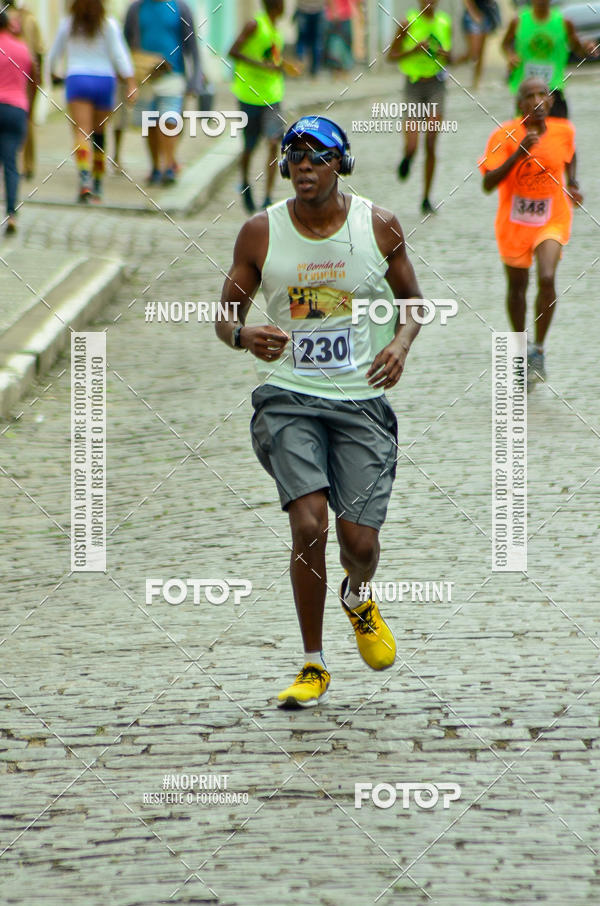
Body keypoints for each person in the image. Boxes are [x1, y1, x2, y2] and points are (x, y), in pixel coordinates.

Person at [215, 115, 424, 707]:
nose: (304, 166)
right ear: (283, 166)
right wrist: (242, 335)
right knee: (308, 523)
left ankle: (358, 593)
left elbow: (415, 303)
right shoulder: (260, 233)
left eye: (317, 155)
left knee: (360, 543)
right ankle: (313, 663)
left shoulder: (378, 226)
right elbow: (224, 315)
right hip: (287, 397)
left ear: (342, 163)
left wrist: (400, 343)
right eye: (294, 156)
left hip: (360, 400)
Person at [479, 78, 582, 385]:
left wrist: (573, 183)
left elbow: (570, 155)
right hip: (514, 224)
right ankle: (519, 345)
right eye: (529, 95)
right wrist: (518, 154)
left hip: (553, 217)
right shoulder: (503, 135)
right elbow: (487, 184)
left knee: (548, 277)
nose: (537, 100)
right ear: (519, 104)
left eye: (542, 95)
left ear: (551, 102)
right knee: (517, 287)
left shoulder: (564, 130)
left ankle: (538, 349)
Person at [48, 0, 137, 203]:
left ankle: (84, 181)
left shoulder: (68, 23)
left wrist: (52, 72)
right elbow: (120, 55)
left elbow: (54, 53)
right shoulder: (109, 24)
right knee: (100, 133)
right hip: (105, 80)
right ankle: (97, 184)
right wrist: (131, 82)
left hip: (77, 78)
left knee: (81, 132)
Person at [230, 0, 300, 214]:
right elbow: (233, 51)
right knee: (249, 146)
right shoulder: (254, 25)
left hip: (273, 97)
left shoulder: (275, 29)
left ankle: (268, 196)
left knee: (273, 143)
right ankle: (245, 183)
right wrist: (260, 65)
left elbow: (271, 57)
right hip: (249, 95)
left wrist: (284, 66)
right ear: (276, 6)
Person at [124, 0, 203, 186]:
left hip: (173, 75)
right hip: (145, 75)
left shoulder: (180, 8)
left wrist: (195, 79)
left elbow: (192, 46)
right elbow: (126, 43)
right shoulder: (136, 9)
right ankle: (155, 167)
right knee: (150, 123)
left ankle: (168, 165)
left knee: (169, 120)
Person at [387, 0, 452, 215]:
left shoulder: (444, 22)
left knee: (432, 141)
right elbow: (391, 56)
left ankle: (426, 197)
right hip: (413, 86)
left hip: (436, 85)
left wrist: (444, 54)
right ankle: (407, 158)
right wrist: (414, 50)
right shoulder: (408, 22)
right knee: (413, 145)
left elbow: (453, 57)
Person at [502, 0, 597, 119]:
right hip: (526, 90)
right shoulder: (518, 21)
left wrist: (587, 48)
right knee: (524, 133)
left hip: (553, 89)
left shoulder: (564, 22)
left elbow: (578, 50)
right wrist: (510, 55)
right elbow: (505, 44)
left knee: (558, 132)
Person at [0, 8, 32, 234]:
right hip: (16, 109)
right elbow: (33, 78)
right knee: (11, 164)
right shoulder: (22, 49)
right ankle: (12, 214)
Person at [5, 0, 43, 180]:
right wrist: (39, 78)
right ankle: (29, 165)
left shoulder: (7, 19)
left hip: (8, 76)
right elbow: (40, 51)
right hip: (29, 76)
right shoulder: (30, 19)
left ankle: (15, 164)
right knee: (28, 119)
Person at [456, 0, 501, 89]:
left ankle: (476, 81)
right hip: (473, 16)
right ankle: (452, 63)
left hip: (486, 14)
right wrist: (474, 14)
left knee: (480, 53)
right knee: (473, 53)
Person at [295, 0, 326, 77]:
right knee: (316, 40)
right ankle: (314, 70)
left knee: (303, 40)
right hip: (316, 8)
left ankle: (300, 67)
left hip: (304, 8)